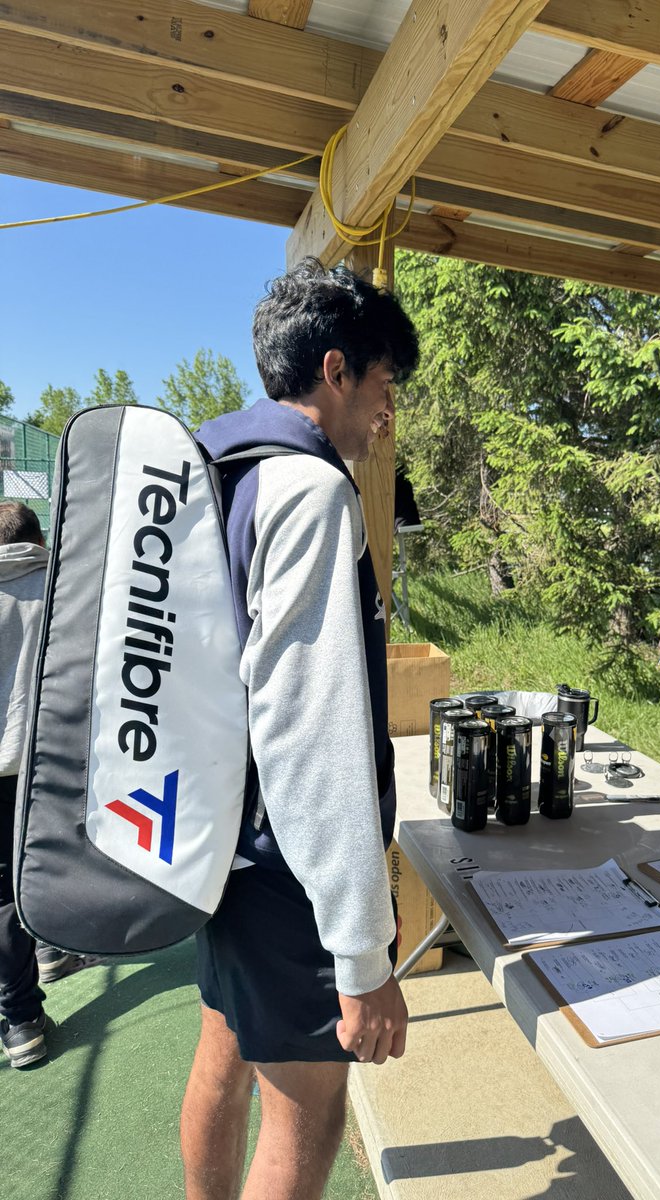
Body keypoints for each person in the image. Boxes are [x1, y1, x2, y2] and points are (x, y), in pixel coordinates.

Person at [181, 259, 419, 1200]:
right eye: (382, 385)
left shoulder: (212, 471)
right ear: (335, 369)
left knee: (223, 1052)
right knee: (308, 1111)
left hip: (207, 841)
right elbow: (309, 732)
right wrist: (362, 958)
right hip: (286, 866)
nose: (384, 414)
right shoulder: (311, 491)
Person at [0, 502, 51, 1066]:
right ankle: (58, 949)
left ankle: (20, 1022)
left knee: (0, 893)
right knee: (55, 862)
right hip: (48, 761)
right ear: (36, 537)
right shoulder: (60, 584)